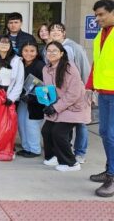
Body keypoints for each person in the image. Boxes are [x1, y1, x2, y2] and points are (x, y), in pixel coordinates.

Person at [41, 41, 90, 172]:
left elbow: (74, 94)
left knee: (59, 133)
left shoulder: (69, 68)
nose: (50, 53)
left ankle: (71, 163)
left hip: (74, 107)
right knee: (46, 130)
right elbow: (49, 89)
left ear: (62, 53)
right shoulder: (46, 69)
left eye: (54, 51)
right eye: (48, 51)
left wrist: (55, 107)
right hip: (59, 106)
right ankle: (54, 157)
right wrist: (47, 103)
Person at [48, 22, 91, 164]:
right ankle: (67, 151)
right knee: (61, 128)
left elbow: (84, 69)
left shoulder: (74, 48)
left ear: (64, 32)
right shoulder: (49, 50)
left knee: (81, 124)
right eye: (52, 30)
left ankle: (79, 154)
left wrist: (87, 90)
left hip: (78, 94)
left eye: (58, 30)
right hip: (62, 98)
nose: (55, 32)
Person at [86, 0, 114, 197]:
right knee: (105, 132)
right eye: (96, 15)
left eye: (101, 14)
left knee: (111, 134)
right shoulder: (101, 35)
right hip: (104, 92)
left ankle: (113, 176)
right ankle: (109, 169)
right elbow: (98, 62)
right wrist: (90, 86)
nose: (98, 18)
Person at [0, 35, 24, 156]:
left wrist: (11, 98)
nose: (4, 45)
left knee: (9, 122)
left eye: (7, 43)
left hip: (10, 95)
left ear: (10, 46)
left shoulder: (17, 60)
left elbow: (19, 82)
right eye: (1, 43)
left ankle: (9, 144)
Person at [17, 42, 45, 158]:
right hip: (23, 100)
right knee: (21, 123)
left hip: (35, 101)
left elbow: (44, 87)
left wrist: (32, 97)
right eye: (26, 50)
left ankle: (34, 149)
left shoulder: (40, 65)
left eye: (32, 51)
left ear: (37, 52)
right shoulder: (19, 64)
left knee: (31, 125)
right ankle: (26, 147)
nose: (28, 53)